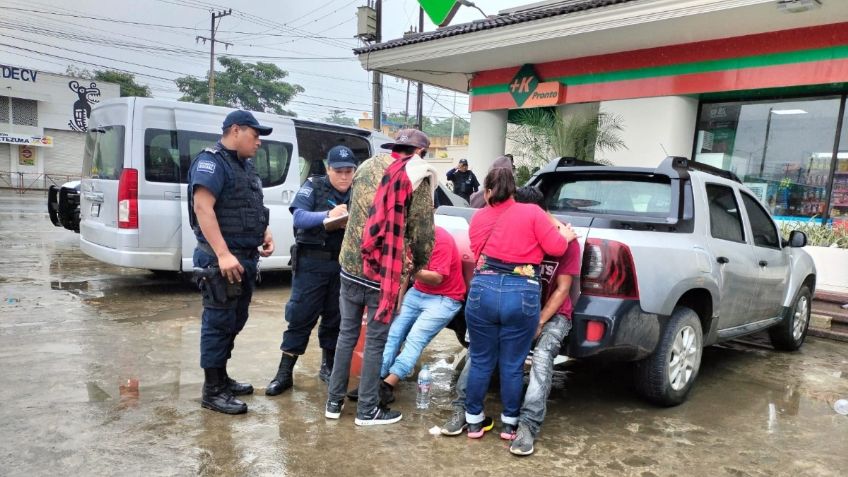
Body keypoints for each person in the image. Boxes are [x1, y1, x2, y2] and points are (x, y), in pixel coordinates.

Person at [440, 186, 579, 440]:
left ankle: (527, 424)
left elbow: (562, 291)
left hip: (553, 312)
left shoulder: (566, 240)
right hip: (516, 306)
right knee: (480, 354)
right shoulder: (514, 229)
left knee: (541, 357)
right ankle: (467, 412)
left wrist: (539, 321)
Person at [325, 128, 437, 426]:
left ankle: (333, 403)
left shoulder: (367, 165)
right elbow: (423, 231)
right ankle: (367, 410)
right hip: (382, 271)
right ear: (420, 152)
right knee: (375, 342)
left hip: (350, 264)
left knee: (346, 335)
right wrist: (419, 264)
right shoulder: (417, 178)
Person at [187, 110, 275, 415]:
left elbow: (250, 206)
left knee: (234, 321)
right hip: (220, 261)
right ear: (235, 130)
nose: (259, 142)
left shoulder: (245, 167)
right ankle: (212, 390)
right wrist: (223, 254)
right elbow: (203, 206)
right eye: (255, 135)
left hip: (244, 258)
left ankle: (222, 378)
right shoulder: (212, 161)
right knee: (218, 323)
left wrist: (264, 232)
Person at [265, 145, 356, 396]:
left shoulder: (359, 191)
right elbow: (299, 218)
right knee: (300, 317)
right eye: (339, 171)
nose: (345, 176)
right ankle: (284, 373)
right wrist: (329, 215)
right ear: (329, 169)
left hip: (342, 266)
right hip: (312, 265)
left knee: (335, 318)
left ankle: (327, 366)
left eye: (349, 171)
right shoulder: (313, 186)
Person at [379, 225, 466, 401]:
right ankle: (376, 379)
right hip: (418, 292)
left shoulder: (441, 239)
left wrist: (412, 270)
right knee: (393, 333)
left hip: (446, 297)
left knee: (415, 338)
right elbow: (405, 272)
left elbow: (436, 278)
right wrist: (399, 300)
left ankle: (388, 384)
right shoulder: (408, 238)